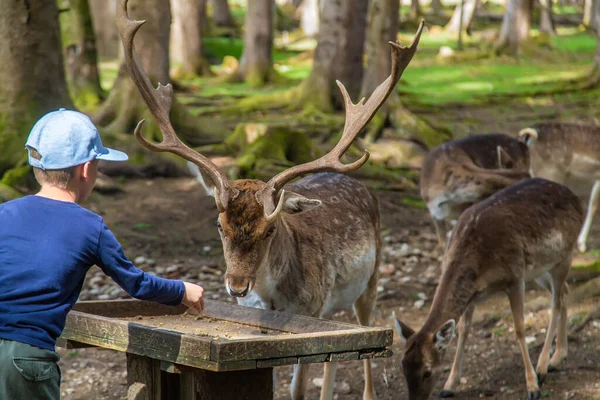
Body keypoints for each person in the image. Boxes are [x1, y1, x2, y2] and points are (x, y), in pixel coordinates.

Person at [0, 108, 205, 400]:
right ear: (86, 170)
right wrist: (182, 290)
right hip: (27, 357)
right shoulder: (89, 226)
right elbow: (137, 284)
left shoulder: (5, 213)